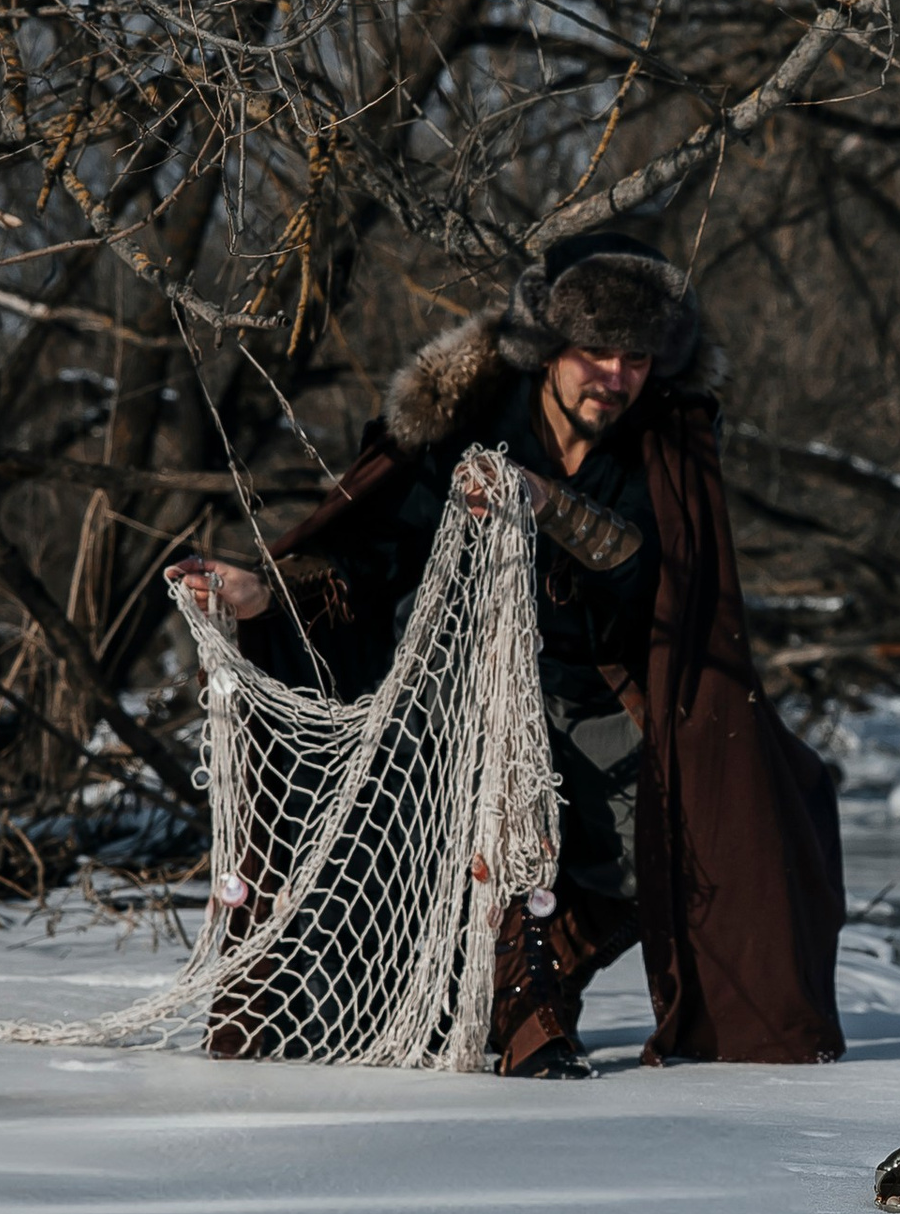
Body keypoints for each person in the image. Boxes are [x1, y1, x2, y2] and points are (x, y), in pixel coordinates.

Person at [176, 239, 843, 1077]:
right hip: (444, 693)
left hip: (593, 688)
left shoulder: (663, 440)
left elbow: (652, 572)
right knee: (441, 814)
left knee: (734, 815)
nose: (615, 376)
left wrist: (547, 502)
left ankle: (546, 966)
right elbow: (371, 559)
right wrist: (262, 594)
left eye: (636, 358)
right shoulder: (466, 423)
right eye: (595, 352)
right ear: (549, 347)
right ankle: (511, 995)